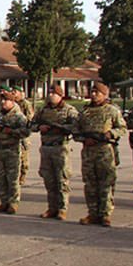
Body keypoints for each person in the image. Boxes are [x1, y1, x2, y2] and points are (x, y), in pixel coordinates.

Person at [76, 83, 126, 227]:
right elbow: (76, 129)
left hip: (105, 151)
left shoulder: (112, 111)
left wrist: (110, 134)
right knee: (90, 184)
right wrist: (84, 139)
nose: (93, 95)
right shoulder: (84, 111)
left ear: (105, 95)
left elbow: (122, 128)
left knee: (106, 183)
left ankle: (105, 214)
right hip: (88, 152)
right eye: (92, 92)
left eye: (97, 92)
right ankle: (92, 213)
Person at [31, 85, 79, 220]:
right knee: (49, 180)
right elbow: (32, 125)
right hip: (46, 148)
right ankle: (52, 208)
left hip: (60, 148)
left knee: (62, 180)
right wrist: (40, 127)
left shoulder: (69, 110)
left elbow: (77, 126)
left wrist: (62, 129)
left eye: (54, 93)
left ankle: (62, 208)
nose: (51, 95)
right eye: (50, 93)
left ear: (61, 95)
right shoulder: (43, 110)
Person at [0, 92, 29, 214]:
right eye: (2, 100)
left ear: (12, 102)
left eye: (6, 100)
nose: (3, 103)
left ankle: (13, 203)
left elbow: (26, 132)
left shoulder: (19, 117)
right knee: (0, 178)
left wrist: (11, 131)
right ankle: (4, 202)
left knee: (12, 178)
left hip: (11, 150)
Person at [11, 86, 34, 185]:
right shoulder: (12, 104)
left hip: (23, 134)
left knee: (24, 159)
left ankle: (22, 177)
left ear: (21, 93)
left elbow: (30, 118)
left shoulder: (26, 104)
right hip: (13, 134)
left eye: (15, 92)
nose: (13, 93)